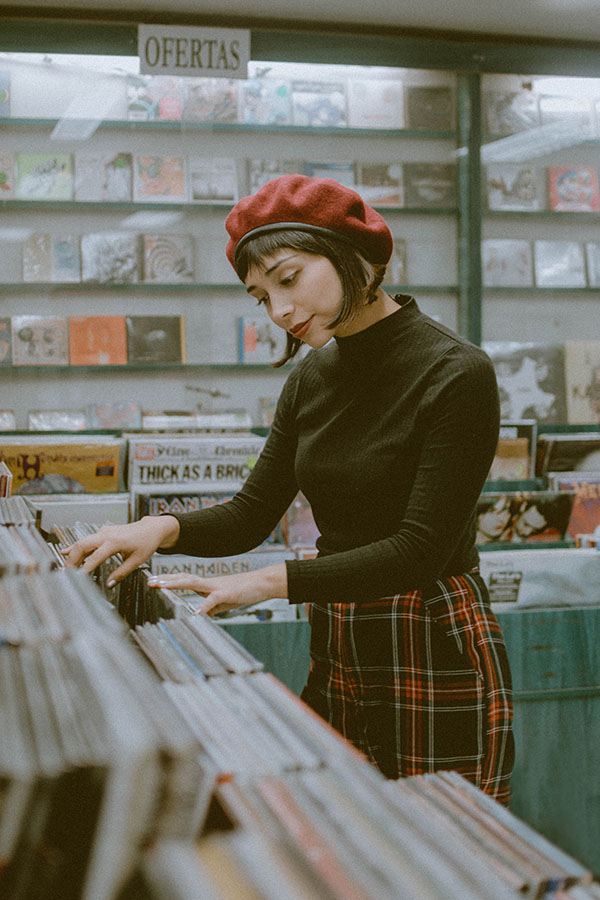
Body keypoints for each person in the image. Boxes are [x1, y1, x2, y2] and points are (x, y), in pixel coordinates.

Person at [65, 174, 514, 803]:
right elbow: (253, 514)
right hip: (339, 633)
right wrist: (158, 529)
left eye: (288, 278)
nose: (278, 311)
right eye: (259, 296)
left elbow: (420, 549)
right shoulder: (310, 379)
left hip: (429, 632)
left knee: (451, 851)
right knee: (344, 838)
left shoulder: (455, 372)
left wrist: (265, 582)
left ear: (350, 255)